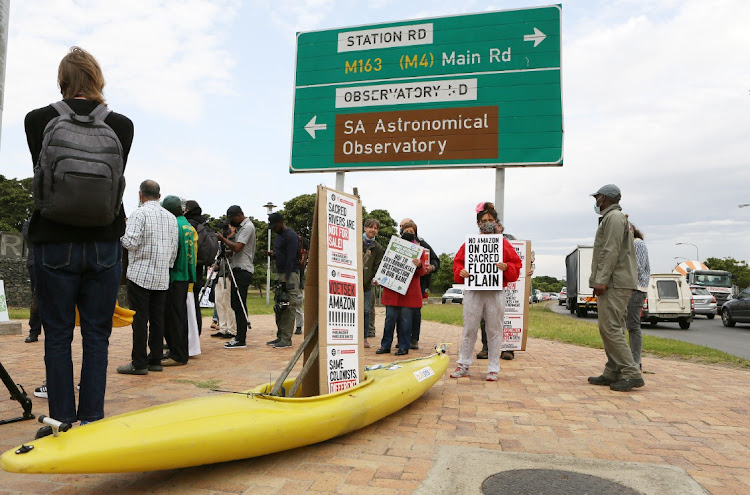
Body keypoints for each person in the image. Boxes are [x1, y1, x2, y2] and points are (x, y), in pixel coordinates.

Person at [25, 47, 133, 436]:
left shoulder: (37, 120)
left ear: (63, 80)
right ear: (97, 79)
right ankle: (92, 419)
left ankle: (61, 421)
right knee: (97, 335)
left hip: (52, 240)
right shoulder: (121, 124)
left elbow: (42, 177)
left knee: (56, 334)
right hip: (104, 242)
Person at [450, 202, 522, 382]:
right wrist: (461, 271)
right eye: (484, 220)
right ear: (478, 223)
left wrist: (506, 268)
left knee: (494, 329)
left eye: (490, 219)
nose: (487, 223)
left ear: (496, 222)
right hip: (474, 290)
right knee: (469, 328)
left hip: (495, 291)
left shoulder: (503, 243)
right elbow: (458, 263)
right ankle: (463, 364)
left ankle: (493, 368)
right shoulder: (470, 243)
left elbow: (516, 265)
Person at [587, 184, 645, 392]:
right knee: (613, 327)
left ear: (606, 198)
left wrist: (600, 280)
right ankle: (613, 370)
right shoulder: (616, 218)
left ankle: (630, 372)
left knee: (610, 328)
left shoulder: (614, 218)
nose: (596, 201)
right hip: (616, 281)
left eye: (598, 197)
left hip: (615, 282)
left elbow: (610, 251)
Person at [118, 181, 178, 375]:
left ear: (140, 195)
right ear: (159, 196)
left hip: (140, 274)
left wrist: (119, 235)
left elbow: (130, 243)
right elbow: (173, 251)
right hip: (162, 275)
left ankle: (139, 363)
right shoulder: (171, 218)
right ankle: (156, 360)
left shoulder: (139, 213)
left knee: (140, 319)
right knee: (157, 319)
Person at [375, 221, 427, 356]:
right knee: (389, 320)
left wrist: (420, 265)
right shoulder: (393, 247)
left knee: (406, 322)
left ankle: (404, 346)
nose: (408, 234)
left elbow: (422, 273)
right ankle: (385, 345)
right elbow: (387, 266)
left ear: (415, 234)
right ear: (401, 233)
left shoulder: (419, 251)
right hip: (392, 290)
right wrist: (379, 279)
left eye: (411, 232)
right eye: (406, 232)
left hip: (409, 293)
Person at [160, 196, 197, 366]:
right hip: (185, 276)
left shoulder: (175, 226)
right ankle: (181, 351)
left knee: (173, 317)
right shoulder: (187, 226)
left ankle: (178, 354)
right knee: (180, 316)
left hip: (174, 276)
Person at [216, 206, 255, 349]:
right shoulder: (242, 228)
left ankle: (241, 338)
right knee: (236, 304)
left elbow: (238, 247)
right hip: (237, 269)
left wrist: (223, 239)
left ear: (239, 215)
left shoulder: (247, 227)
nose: (232, 223)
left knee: (239, 304)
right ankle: (239, 336)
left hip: (243, 270)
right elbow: (236, 251)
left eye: (233, 219)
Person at [398, 218, 439, 351]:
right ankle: (401, 339)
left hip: (418, 283)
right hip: (401, 283)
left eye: (409, 228)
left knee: (415, 312)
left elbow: (435, 260)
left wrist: (430, 268)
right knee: (400, 312)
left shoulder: (423, 244)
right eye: (402, 227)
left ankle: (414, 339)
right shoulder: (396, 243)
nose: (405, 230)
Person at [266, 212, 300, 349]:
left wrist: (286, 278)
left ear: (281, 222)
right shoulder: (278, 236)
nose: (273, 228)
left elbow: (292, 258)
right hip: (279, 273)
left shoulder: (291, 236)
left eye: (275, 225)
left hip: (290, 274)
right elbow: (283, 255)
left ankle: (286, 339)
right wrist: (274, 255)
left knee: (288, 307)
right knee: (279, 306)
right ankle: (280, 336)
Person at [625, 224, 650, 370]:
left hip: (636, 288)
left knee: (633, 326)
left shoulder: (638, 244)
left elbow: (638, 267)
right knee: (626, 325)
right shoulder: (629, 245)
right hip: (627, 287)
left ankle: (636, 362)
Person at [184, 200, 210, 335]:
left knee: (186, 305)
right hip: (199, 269)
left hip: (189, 269)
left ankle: (187, 339)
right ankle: (195, 336)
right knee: (194, 303)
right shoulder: (203, 223)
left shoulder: (189, 225)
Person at [211, 223, 237, 339]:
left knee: (227, 303)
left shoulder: (235, 239)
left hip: (228, 274)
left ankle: (232, 329)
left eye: (228, 228)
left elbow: (234, 256)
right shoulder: (222, 242)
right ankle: (223, 327)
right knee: (219, 302)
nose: (226, 230)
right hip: (220, 275)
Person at [362, 218, 385, 349]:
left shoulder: (378, 248)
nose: (373, 230)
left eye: (376, 228)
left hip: (367, 285)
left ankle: (364, 338)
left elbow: (377, 267)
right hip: (351, 283)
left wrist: (373, 279)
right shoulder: (354, 242)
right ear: (365, 228)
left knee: (366, 311)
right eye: (371, 227)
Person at [22, 220, 42, 343]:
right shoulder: (29, 223)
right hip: (35, 263)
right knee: (36, 297)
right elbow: (30, 237)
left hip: (55, 263)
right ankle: (34, 330)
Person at [294, 233, 309, 335]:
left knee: (297, 304)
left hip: (298, 279)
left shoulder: (303, 255)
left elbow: (302, 264)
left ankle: (299, 326)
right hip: (296, 277)